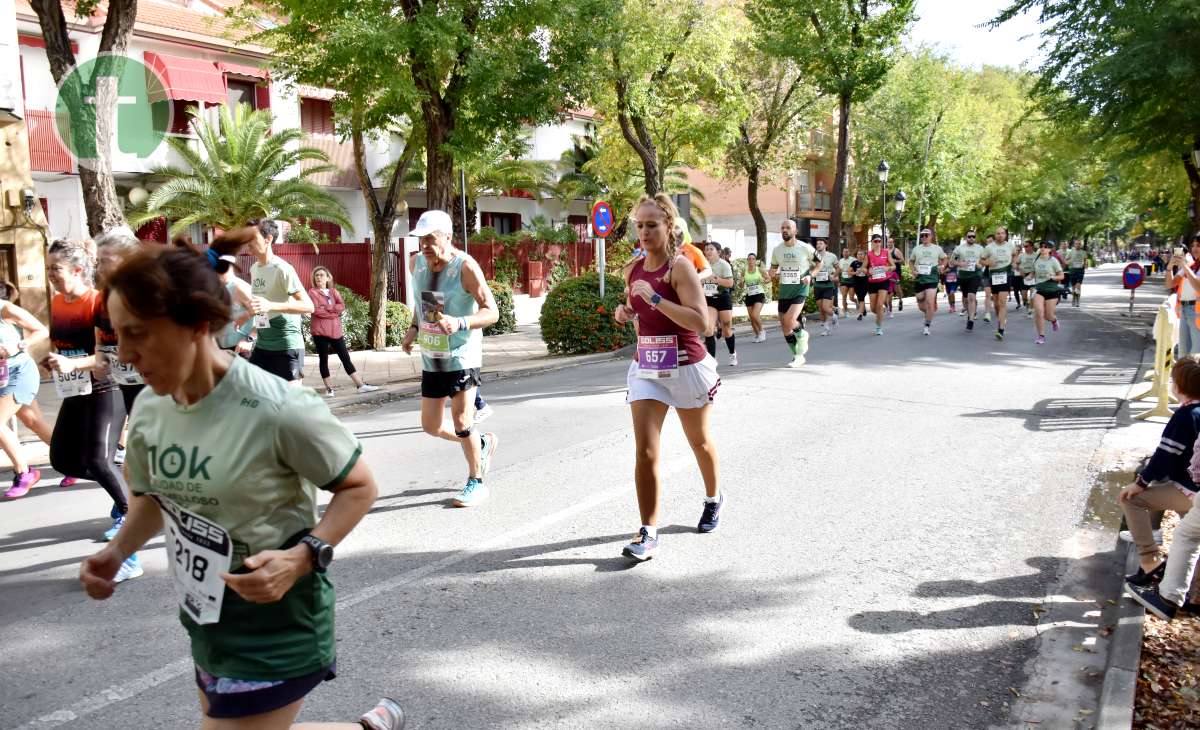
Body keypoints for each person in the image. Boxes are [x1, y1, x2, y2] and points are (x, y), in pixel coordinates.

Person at [80, 246, 404, 730]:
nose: (124, 354)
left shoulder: (277, 408)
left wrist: (304, 556)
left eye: (137, 334)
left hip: (278, 626)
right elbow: (152, 498)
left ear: (196, 324)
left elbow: (359, 486)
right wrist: (117, 551)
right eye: (117, 334)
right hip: (207, 619)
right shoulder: (149, 408)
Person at [613, 193, 722, 561]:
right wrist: (624, 312)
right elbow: (633, 307)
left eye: (651, 225)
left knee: (700, 442)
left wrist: (658, 301)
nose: (644, 232)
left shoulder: (680, 268)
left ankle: (713, 497)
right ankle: (648, 531)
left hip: (686, 364)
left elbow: (703, 323)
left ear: (669, 228)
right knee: (645, 450)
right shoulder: (632, 269)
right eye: (639, 225)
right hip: (648, 366)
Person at [42, 240, 137, 560]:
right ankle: (121, 468)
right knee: (63, 460)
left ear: (78, 270)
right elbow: (65, 343)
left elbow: (106, 357)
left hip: (106, 388)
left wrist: (73, 363)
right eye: (48, 269)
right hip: (75, 389)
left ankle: (128, 513)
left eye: (56, 268)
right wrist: (53, 359)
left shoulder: (97, 303)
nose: (51, 275)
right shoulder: (57, 302)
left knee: (97, 460)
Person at [402, 210, 500, 508]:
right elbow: (423, 302)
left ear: (447, 236)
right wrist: (413, 328)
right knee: (431, 426)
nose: (425, 246)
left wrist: (459, 322)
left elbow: (491, 311)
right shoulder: (416, 263)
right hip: (433, 355)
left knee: (461, 420)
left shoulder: (465, 267)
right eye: (421, 240)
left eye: (431, 239)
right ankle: (479, 444)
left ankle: (476, 481)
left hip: (462, 354)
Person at [1118, 355, 1200, 619]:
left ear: (1178, 386)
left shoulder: (1186, 415)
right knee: (1194, 539)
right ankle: (1193, 593)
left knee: (1132, 499)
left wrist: (1140, 482)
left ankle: (1150, 560)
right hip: (1192, 489)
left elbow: (1166, 455)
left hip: (1188, 490)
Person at [94, 226, 146, 469]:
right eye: (98, 261)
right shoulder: (106, 295)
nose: (99, 267)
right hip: (125, 380)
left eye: (105, 260)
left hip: (155, 384)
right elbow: (101, 332)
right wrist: (99, 355)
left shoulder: (148, 291)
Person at [0, 283, 53, 498]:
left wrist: (18, 346)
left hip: (19, 371)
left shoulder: (5, 309)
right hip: (2, 377)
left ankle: (24, 472)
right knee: (33, 421)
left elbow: (41, 330)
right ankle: (75, 460)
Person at [248, 219, 314, 385]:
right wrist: (251, 332)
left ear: (268, 239)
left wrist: (270, 305)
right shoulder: (254, 268)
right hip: (263, 345)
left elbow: (308, 306)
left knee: (291, 403)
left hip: (287, 345)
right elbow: (261, 307)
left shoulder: (282, 269)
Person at [308, 267, 380, 397]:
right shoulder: (312, 292)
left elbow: (341, 306)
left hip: (335, 330)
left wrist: (329, 308)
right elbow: (316, 310)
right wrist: (333, 312)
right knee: (323, 359)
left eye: (322, 275)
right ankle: (329, 389)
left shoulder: (333, 292)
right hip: (320, 331)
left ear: (328, 278)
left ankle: (360, 385)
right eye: (316, 275)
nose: (318, 277)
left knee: (345, 358)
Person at [768, 220, 817, 365]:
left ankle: (802, 334)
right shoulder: (777, 250)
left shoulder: (805, 248)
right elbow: (773, 269)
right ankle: (798, 356)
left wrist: (810, 275)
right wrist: (768, 274)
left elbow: (819, 264)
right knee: (784, 326)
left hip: (800, 288)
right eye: (782, 227)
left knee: (789, 321)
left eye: (788, 228)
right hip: (785, 290)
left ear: (795, 231)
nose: (784, 230)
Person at [701, 242, 737, 366]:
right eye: (706, 249)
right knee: (708, 329)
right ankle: (712, 360)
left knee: (726, 329)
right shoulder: (702, 265)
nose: (708, 251)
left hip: (722, 298)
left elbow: (730, 283)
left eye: (711, 249)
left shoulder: (724, 265)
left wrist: (716, 279)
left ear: (718, 252)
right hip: (709, 299)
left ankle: (732, 354)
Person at [909, 229, 947, 336]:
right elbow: (911, 261)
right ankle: (928, 312)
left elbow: (944, 258)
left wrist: (942, 266)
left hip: (932, 277)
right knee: (921, 303)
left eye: (926, 235)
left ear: (931, 236)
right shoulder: (917, 249)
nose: (924, 237)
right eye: (922, 235)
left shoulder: (937, 248)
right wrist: (913, 271)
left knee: (930, 303)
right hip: (920, 278)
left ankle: (927, 325)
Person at [980, 227, 1016, 340]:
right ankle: (1001, 318)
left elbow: (1015, 255)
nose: (1000, 235)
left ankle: (1001, 329)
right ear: (995, 235)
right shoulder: (989, 247)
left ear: (1005, 235)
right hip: (994, 276)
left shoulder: (1010, 245)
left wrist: (1014, 263)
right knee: (996, 304)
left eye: (1002, 233)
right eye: (998, 233)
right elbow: (981, 260)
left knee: (1002, 302)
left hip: (1006, 275)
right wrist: (988, 262)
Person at [1167, 235, 1200, 356]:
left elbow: (1198, 287)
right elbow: (1170, 283)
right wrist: (1170, 267)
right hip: (1185, 310)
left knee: (1196, 354)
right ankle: (1184, 375)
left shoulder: (1188, 266)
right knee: (1184, 353)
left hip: (1197, 313)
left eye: (1198, 245)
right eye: (1193, 245)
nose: (1195, 248)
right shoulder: (1191, 266)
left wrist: (1185, 266)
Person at [1031, 240, 1064, 345]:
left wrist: (1053, 277)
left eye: (1045, 247)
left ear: (1050, 249)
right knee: (1039, 312)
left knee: (1048, 316)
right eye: (1041, 246)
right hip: (1039, 290)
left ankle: (1054, 320)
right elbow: (1032, 273)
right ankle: (1041, 336)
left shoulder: (1053, 261)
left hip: (1052, 290)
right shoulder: (1036, 260)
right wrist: (1028, 276)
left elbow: (1062, 276)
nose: (1043, 248)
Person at [951, 231, 985, 331]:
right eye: (969, 236)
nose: (971, 238)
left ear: (975, 238)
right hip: (963, 275)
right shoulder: (959, 248)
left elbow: (984, 260)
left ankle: (970, 321)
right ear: (966, 237)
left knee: (971, 296)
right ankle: (970, 312)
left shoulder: (980, 248)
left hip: (975, 274)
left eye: (973, 237)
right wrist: (959, 263)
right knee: (966, 298)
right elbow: (952, 261)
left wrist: (981, 265)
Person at [864, 234, 892, 336]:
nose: (878, 243)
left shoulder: (886, 252)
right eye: (875, 241)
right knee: (873, 308)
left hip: (884, 281)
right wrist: (868, 271)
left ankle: (879, 327)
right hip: (872, 282)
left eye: (879, 241)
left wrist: (887, 268)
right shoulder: (869, 254)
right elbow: (863, 268)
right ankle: (880, 312)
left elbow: (893, 266)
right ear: (872, 242)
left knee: (879, 305)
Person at [812, 238, 840, 336]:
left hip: (828, 285)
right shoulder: (813, 256)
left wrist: (834, 276)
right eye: (817, 243)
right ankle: (826, 328)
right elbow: (810, 268)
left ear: (825, 245)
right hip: (817, 284)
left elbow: (838, 268)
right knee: (821, 309)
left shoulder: (832, 256)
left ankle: (834, 316)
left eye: (821, 243)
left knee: (825, 307)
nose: (818, 245)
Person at [743, 253, 768, 343]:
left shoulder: (759, 270)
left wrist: (764, 280)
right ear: (747, 260)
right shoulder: (744, 270)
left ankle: (762, 331)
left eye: (753, 259)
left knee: (754, 315)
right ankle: (757, 335)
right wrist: (741, 283)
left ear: (755, 260)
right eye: (749, 259)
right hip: (749, 295)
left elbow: (768, 279)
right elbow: (742, 283)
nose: (751, 261)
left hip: (759, 294)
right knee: (751, 318)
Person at [1017, 241, 1037, 318]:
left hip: (1033, 276)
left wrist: (1034, 273)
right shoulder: (1021, 255)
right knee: (1024, 296)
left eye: (1026, 246)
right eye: (1024, 246)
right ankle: (1027, 304)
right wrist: (1019, 270)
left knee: (1032, 295)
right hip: (1024, 276)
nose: (1025, 248)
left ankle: (1031, 310)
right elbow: (1016, 264)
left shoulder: (1036, 255)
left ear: (1031, 246)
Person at [1067, 239, 1088, 307]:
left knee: (1078, 286)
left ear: (1081, 245)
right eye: (1076, 244)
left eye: (1079, 244)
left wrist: (1085, 264)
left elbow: (1085, 261)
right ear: (1074, 244)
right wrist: (1069, 262)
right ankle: (1074, 298)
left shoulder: (1083, 252)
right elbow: (1066, 260)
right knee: (1073, 287)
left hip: (1080, 270)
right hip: (1072, 270)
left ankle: (1078, 300)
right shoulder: (1070, 252)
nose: (1077, 245)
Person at [838, 247, 857, 316]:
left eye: (847, 252)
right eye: (844, 252)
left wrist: (853, 273)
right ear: (842, 253)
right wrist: (839, 281)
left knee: (851, 297)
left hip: (852, 281)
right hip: (844, 280)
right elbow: (839, 271)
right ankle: (845, 311)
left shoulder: (853, 260)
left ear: (849, 253)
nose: (845, 253)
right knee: (844, 297)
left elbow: (858, 268)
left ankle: (856, 301)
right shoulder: (840, 261)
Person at [887, 244, 905, 315]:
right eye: (888, 242)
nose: (889, 244)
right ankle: (888, 305)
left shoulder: (896, 251)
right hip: (888, 271)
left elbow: (903, 261)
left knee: (897, 288)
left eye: (891, 242)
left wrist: (896, 261)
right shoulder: (885, 251)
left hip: (896, 272)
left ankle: (900, 300)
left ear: (893, 243)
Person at [851, 247, 869, 320]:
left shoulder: (867, 263)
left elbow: (870, 272)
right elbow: (849, 272)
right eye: (858, 254)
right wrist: (855, 272)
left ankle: (860, 314)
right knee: (859, 297)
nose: (860, 255)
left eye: (861, 254)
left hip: (865, 282)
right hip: (856, 282)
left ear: (864, 255)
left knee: (861, 297)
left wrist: (866, 272)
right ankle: (863, 308)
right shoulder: (854, 263)